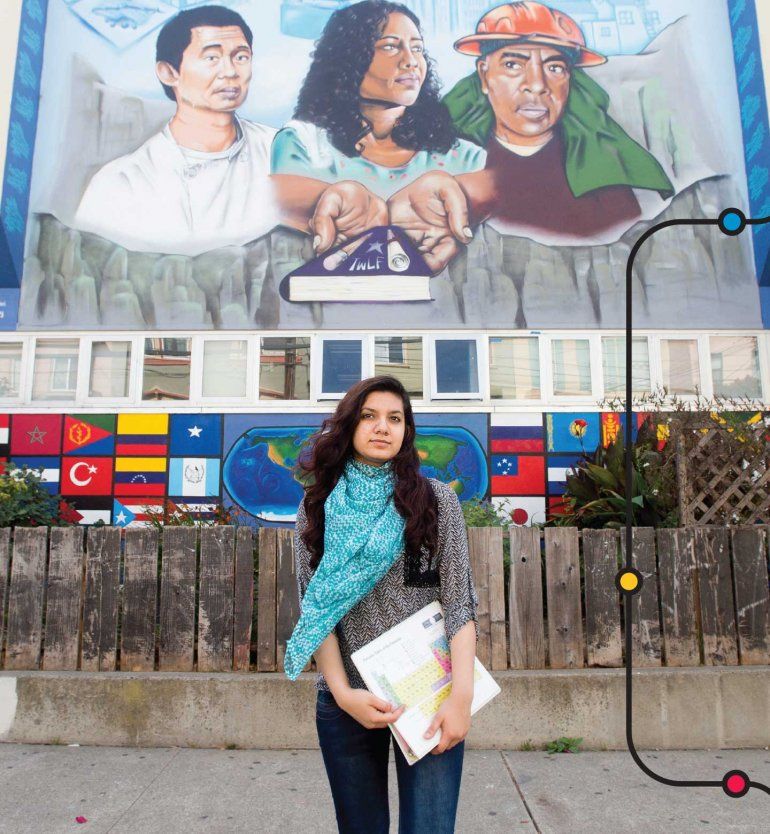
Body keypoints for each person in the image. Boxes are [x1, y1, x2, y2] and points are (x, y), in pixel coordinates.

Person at [284, 375, 479, 834]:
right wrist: (343, 693)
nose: (382, 427)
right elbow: (317, 614)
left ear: (406, 431)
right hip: (349, 699)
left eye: (395, 418)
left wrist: (462, 699)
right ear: (349, 426)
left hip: (430, 697)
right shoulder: (318, 507)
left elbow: (459, 606)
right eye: (369, 416)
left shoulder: (435, 502)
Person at [73, 5, 386, 256]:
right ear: (169, 72)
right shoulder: (121, 183)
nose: (230, 71)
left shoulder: (288, 152)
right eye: (211, 57)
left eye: (241, 56)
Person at [387, 1, 676, 271]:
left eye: (555, 68)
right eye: (513, 64)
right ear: (484, 75)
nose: (537, 85)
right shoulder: (449, 163)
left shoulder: (601, 173)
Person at [271, 0, 485, 199]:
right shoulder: (304, 146)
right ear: (349, 58)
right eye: (390, 46)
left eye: (417, 48)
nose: (411, 61)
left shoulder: (465, 158)